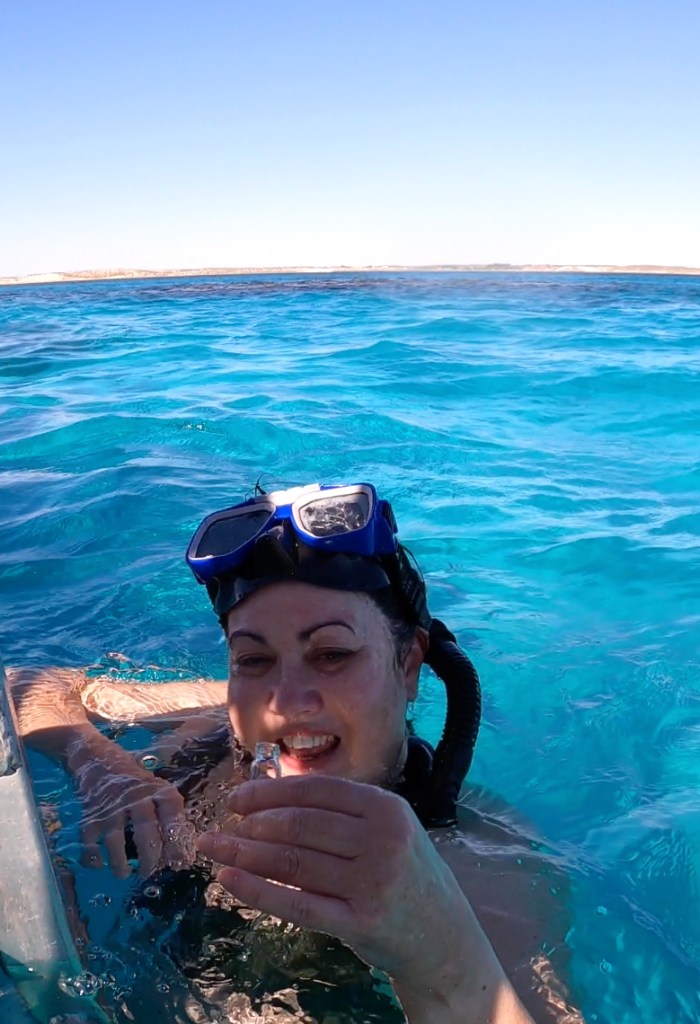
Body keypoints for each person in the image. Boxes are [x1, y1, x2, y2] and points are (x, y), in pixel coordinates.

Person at [11, 482, 582, 1024]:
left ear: (408, 666)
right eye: (253, 660)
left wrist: (444, 960)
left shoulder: (478, 865)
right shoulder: (208, 721)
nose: (284, 702)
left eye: (331, 654)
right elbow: (29, 684)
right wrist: (99, 765)